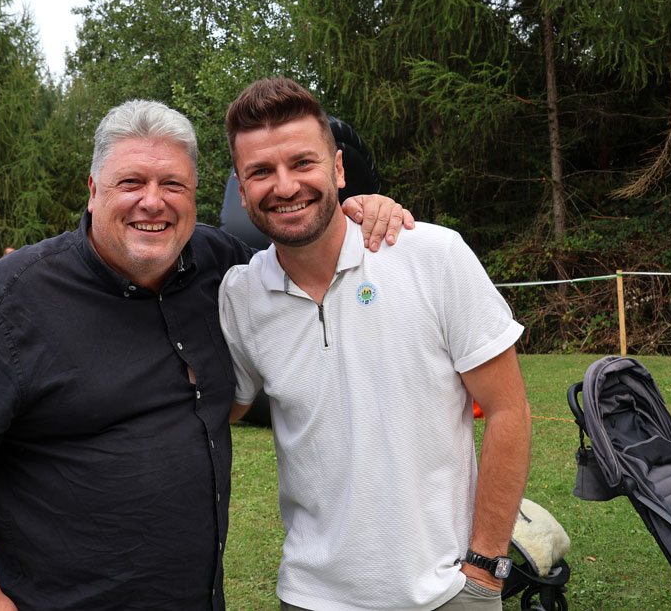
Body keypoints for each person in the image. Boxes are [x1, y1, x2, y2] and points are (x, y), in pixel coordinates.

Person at [0, 99, 414, 611]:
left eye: (173, 184)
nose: (153, 202)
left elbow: (306, 251)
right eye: (131, 183)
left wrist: (363, 210)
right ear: (93, 191)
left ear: (194, 195)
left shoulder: (222, 266)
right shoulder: (6, 304)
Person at [218, 78, 532, 611]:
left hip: (444, 594)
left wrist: (484, 570)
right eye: (261, 172)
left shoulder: (433, 255)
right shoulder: (240, 295)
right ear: (241, 190)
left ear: (338, 169)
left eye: (303, 163)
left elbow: (509, 410)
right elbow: (220, 409)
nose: (285, 186)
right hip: (308, 596)